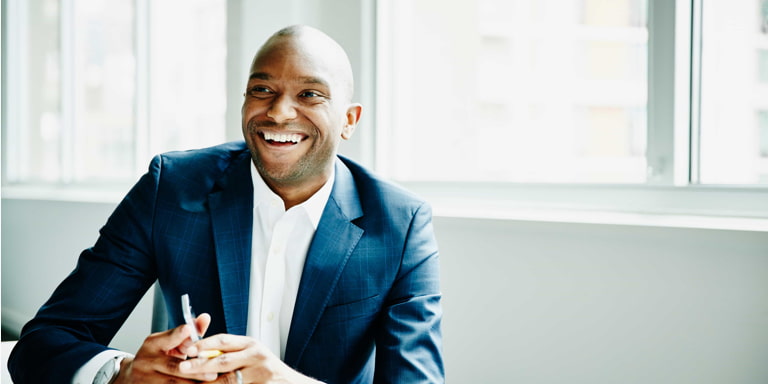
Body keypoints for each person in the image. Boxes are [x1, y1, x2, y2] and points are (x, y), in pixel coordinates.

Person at [8, 25, 444, 384]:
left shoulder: (401, 224)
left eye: (310, 94)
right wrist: (122, 374)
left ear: (349, 120)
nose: (279, 113)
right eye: (262, 89)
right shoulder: (172, 188)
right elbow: (44, 343)